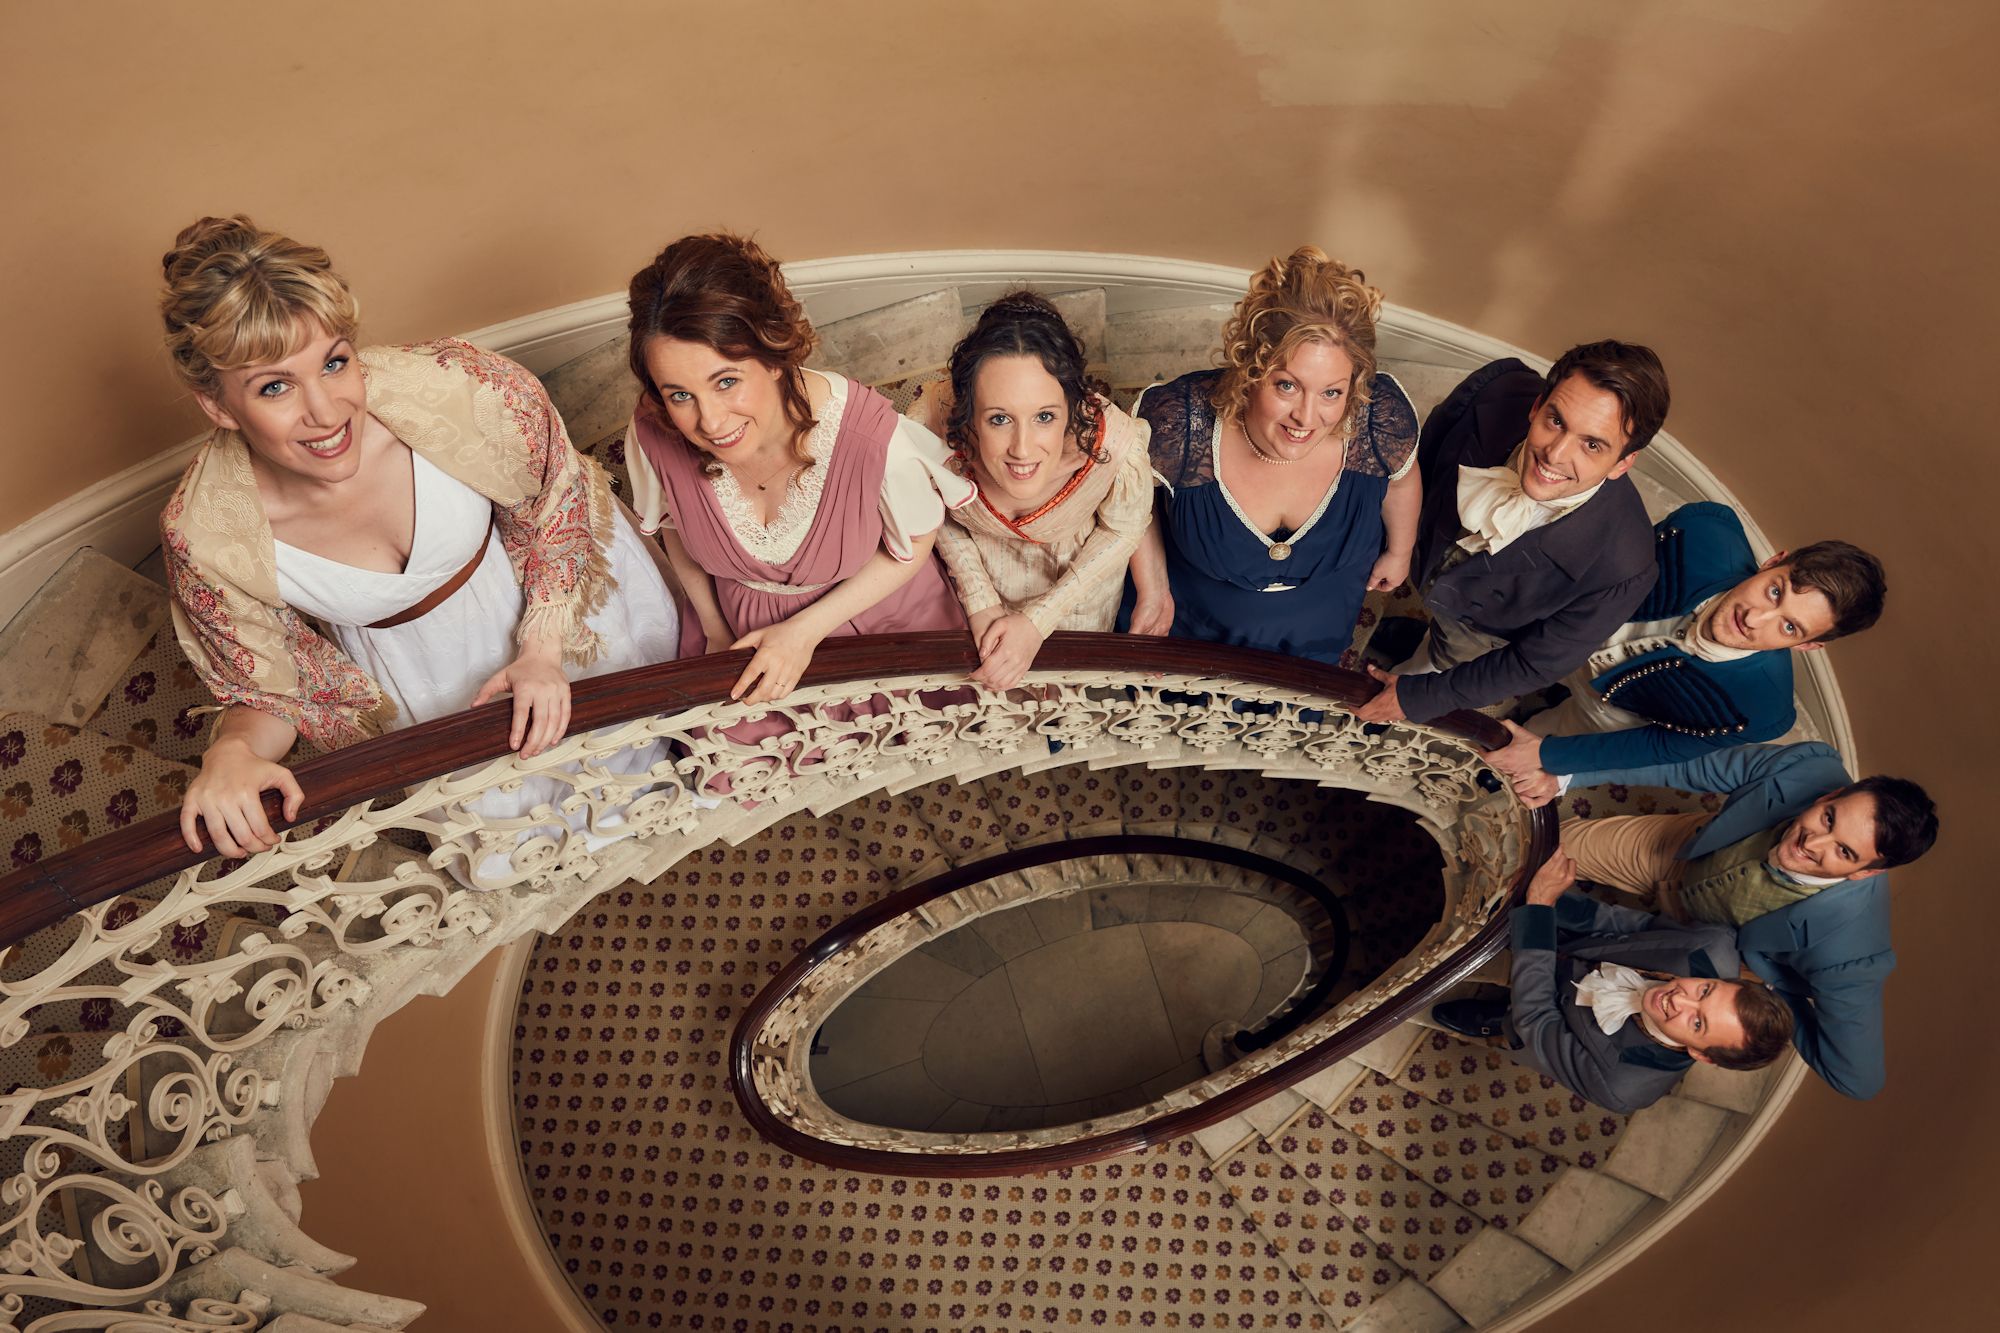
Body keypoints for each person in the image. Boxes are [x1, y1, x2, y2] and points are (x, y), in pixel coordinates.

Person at [158, 217, 681, 863]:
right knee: (514, 840)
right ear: (217, 406)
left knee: (639, 754)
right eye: (275, 386)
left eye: (335, 362)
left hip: (552, 597)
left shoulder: (462, 387)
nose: (325, 412)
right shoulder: (205, 535)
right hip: (422, 682)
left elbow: (554, 495)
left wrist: (543, 646)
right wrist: (231, 749)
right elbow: (272, 687)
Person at [622, 233, 971, 705]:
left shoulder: (870, 439)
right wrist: (716, 631)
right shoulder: (654, 433)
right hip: (739, 633)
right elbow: (677, 528)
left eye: (726, 381)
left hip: (878, 621)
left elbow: (916, 540)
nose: (709, 421)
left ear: (773, 357)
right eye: (680, 393)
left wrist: (803, 632)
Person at [1519, 742, 1938, 1100]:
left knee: (1537, 990)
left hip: (1707, 932)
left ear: (1867, 872)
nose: (1812, 843)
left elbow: (1857, 1078)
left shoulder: (1850, 954)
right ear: (1832, 794)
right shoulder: (1807, 766)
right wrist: (1562, 772)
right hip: (1687, 853)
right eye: (1828, 818)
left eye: (1844, 852)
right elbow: (1687, 765)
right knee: (1541, 851)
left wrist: (1774, 989)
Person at [1117, 247, 1420, 664]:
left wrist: (1399, 551)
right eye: (1287, 386)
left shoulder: (1378, 419)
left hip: (1320, 615)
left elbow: (1401, 480)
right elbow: (1132, 499)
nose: (1307, 418)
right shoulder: (1179, 423)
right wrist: (1153, 587)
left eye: (1332, 392)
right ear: (1250, 369)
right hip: (1198, 618)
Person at [1356, 343, 1666, 725]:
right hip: (1424, 554)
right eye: (1555, 421)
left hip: (1480, 630)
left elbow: (1534, 663)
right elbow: (1420, 461)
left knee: (1434, 664)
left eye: (1591, 444)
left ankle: (1428, 654)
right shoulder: (1497, 389)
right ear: (1536, 406)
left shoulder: (1624, 566)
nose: (1555, 454)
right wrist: (1400, 548)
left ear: (1622, 463)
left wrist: (1419, 697)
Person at [1484, 502, 1888, 796]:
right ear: (1772, 562)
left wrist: (1553, 761)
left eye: (1788, 626)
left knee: (1533, 747)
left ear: (1807, 645)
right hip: (1570, 630)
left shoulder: (1760, 710)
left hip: (1613, 707)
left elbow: (1658, 745)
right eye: (1775, 591)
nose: (1754, 618)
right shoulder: (1700, 533)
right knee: (1476, 652)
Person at [909, 292, 1152, 689]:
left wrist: (1039, 620)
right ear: (969, 412)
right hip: (972, 578)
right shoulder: (932, 423)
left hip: (1076, 590)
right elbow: (931, 509)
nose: (1022, 449)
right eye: (1000, 418)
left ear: (1072, 407)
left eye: (1044, 416)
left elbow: (1123, 530)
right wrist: (979, 601)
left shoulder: (1114, 444)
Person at [1433, 848, 1795, 1115]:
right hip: (1569, 946)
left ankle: (1495, 1021)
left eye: (1697, 1023)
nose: (1677, 999)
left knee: (1518, 1025)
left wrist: (1538, 910)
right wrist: (1551, 903)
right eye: (1704, 990)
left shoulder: (1622, 1086)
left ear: (1701, 1054)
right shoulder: (1714, 948)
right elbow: (1634, 926)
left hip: (1540, 1022)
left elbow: (1538, 1021)